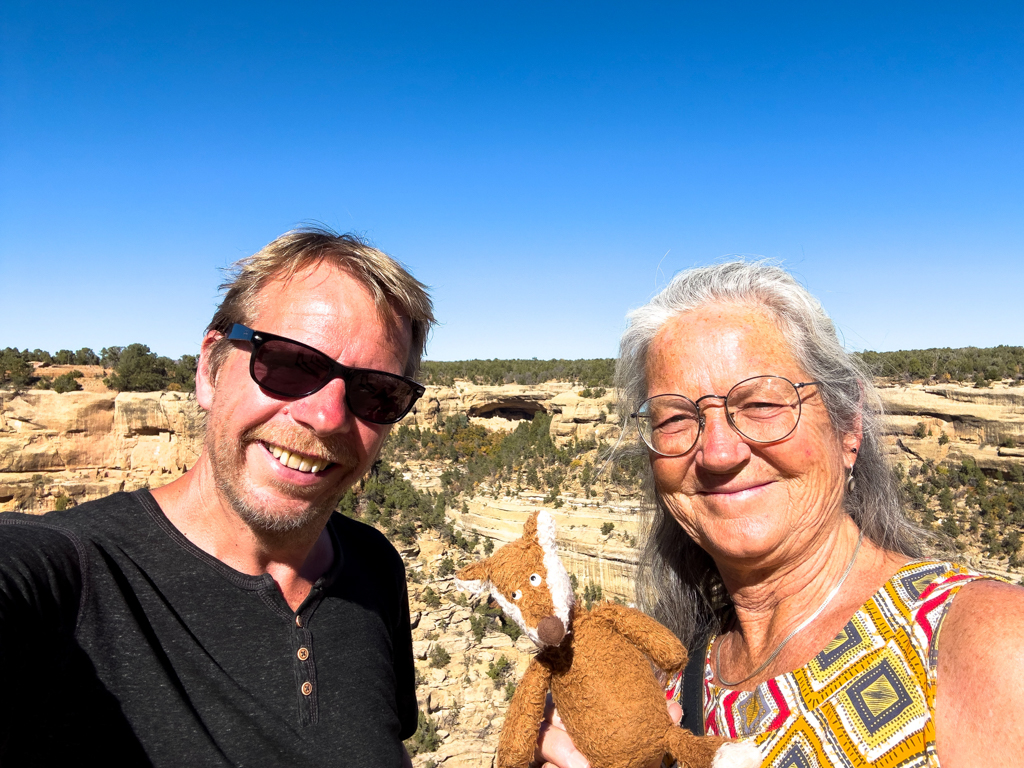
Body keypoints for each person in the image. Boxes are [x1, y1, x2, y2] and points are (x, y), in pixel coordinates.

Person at [537, 261, 1024, 768]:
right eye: (677, 418)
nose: (719, 453)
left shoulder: (984, 647)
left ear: (847, 428)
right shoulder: (672, 690)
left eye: (763, 404)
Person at [0, 228, 435, 767]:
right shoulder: (70, 578)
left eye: (376, 390)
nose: (326, 417)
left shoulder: (374, 567)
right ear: (210, 368)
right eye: (290, 363)